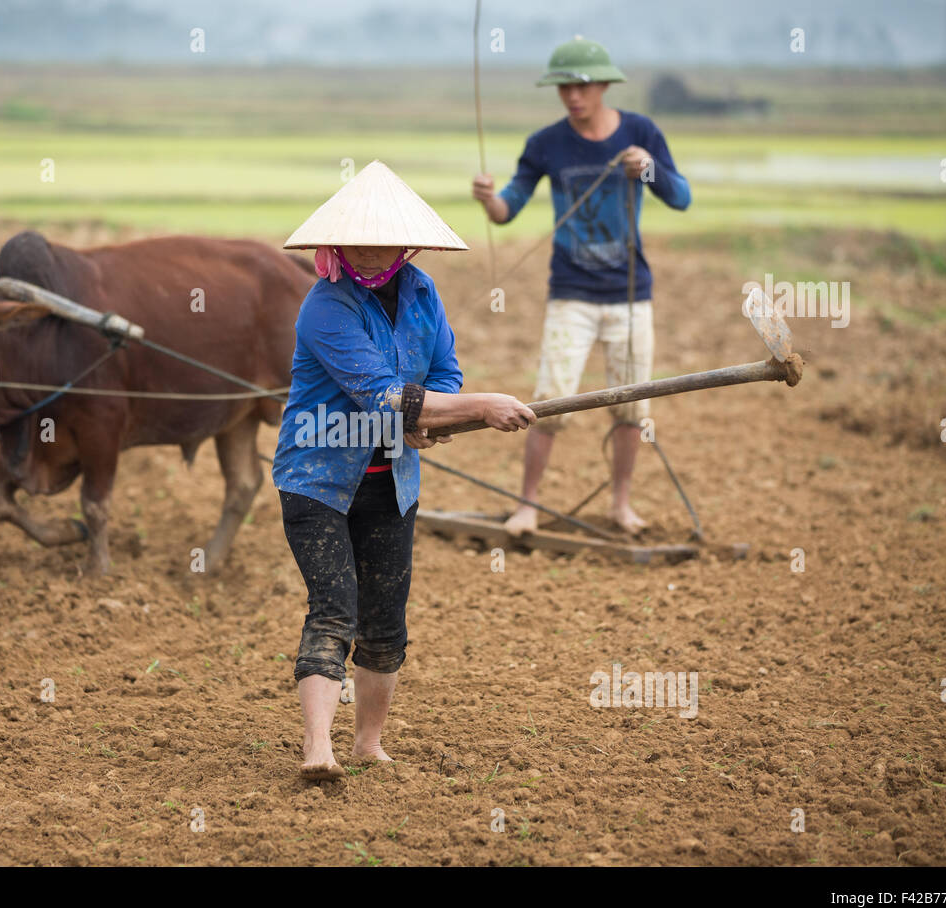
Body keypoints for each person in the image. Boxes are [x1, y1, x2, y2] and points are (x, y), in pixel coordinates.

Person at [274, 160, 535, 781]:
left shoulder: (421, 292)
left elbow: (443, 372)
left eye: (379, 241)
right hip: (317, 479)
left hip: (392, 479)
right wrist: (480, 407)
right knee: (334, 608)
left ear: (403, 243)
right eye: (354, 242)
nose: (366, 253)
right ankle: (318, 749)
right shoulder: (324, 307)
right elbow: (383, 395)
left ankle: (368, 743)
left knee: (386, 618)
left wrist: (432, 420)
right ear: (333, 243)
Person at [472, 36, 691, 536]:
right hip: (570, 291)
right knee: (548, 400)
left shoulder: (641, 132)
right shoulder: (545, 144)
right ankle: (527, 505)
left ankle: (621, 504)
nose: (574, 95)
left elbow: (681, 198)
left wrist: (650, 170)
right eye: (565, 86)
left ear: (605, 85)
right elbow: (508, 208)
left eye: (584, 85)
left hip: (630, 293)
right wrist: (487, 200)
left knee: (632, 404)